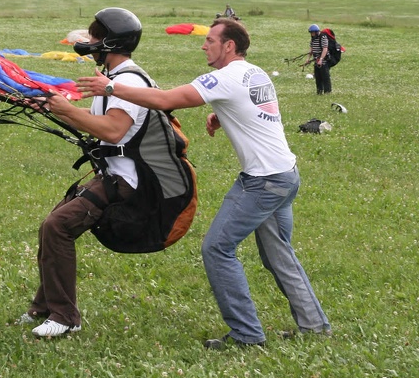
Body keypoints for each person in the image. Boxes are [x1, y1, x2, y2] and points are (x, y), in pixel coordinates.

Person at [78, 18, 332, 348]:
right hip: (286, 174)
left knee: (217, 249)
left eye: (210, 40)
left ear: (229, 46)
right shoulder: (254, 72)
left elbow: (167, 99)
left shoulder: (224, 77)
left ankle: (246, 335)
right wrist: (222, 115)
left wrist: (111, 87)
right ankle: (314, 325)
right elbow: (257, 109)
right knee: (278, 254)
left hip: (262, 182)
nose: (204, 44)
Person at [17, 7, 152, 338]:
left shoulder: (128, 82)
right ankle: (45, 306)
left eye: (94, 36)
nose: (89, 42)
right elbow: (97, 122)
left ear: (109, 42)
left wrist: (66, 109)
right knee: (53, 223)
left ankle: (65, 317)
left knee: (58, 226)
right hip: (111, 174)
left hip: (128, 182)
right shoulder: (114, 81)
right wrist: (53, 107)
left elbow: (114, 130)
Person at [306, 24, 332, 94]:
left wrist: (321, 59)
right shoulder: (313, 38)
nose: (311, 34)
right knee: (317, 76)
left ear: (316, 32)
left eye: (313, 32)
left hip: (324, 60)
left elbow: (325, 49)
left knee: (325, 76)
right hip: (316, 60)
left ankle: (327, 92)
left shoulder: (323, 37)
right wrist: (308, 58)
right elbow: (311, 49)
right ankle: (319, 91)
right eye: (311, 33)